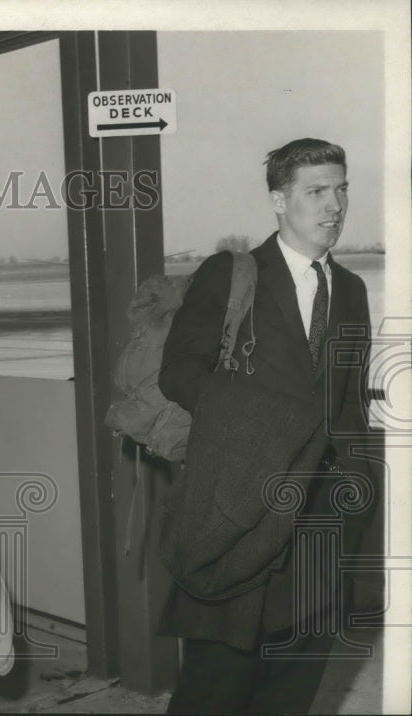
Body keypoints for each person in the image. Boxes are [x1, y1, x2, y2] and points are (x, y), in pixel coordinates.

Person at [158, 138, 376, 713]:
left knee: (293, 685)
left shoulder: (350, 289)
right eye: (316, 192)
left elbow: (348, 398)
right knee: (217, 682)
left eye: (341, 189)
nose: (335, 206)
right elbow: (178, 372)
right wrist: (260, 431)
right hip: (244, 507)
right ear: (280, 201)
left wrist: (359, 481)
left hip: (324, 516)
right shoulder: (231, 275)